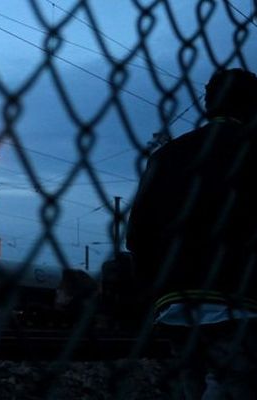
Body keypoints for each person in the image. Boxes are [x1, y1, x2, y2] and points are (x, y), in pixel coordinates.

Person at [126, 68, 257, 399]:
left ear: (208, 104)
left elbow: (138, 233)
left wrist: (154, 287)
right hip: (239, 300)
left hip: (176, 302)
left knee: (191, 384)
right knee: (230, 383)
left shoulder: (166, 156)